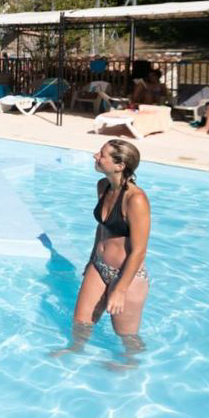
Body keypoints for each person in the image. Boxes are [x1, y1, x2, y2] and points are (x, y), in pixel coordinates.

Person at [54, 139, 150, 364]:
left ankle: (131, 364)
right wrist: (91, 261)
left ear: (119, 165)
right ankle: (75, 350)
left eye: (102, 154)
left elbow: (139, 250)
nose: (95, 156)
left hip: (128, 276)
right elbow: (102, 227)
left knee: (126, 336)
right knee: (81, 322)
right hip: (99, 267)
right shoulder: (103, 186)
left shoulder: (136, 199)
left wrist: (119, 290)